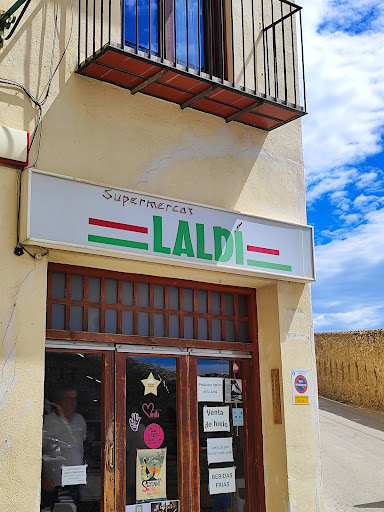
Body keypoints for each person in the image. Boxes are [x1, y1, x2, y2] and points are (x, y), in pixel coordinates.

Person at [41, 387, 87, 511]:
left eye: (75, 399)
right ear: (59, 401)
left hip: (76, 480)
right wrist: (42, 475)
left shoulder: (79, 420)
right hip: (53, 482)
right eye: (68, 398)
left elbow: (82, 444)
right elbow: (34, 451)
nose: (73, 402)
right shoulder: (47, 421)